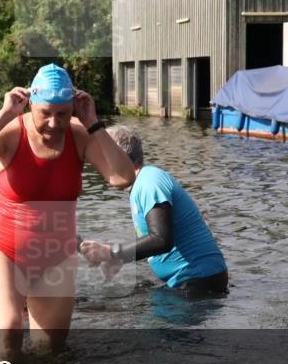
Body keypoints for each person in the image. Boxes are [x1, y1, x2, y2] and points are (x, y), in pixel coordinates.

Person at [0, 63, 135, 356]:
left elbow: (122, 178)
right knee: (9, 330)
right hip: (3, 248)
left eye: (62, 114)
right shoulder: (13, 131)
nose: (53, 122)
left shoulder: (79, 134)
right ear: (31, 104)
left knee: (49, 351)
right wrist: (5, 114)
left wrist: (93, 123)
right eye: (45, 113)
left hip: (56, 255)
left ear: (73, 108)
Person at [80, 126, 229, 296]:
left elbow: (161, 239)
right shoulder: (142, 183)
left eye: (101, 159)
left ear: (117, 158)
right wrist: (121, 259)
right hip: (192, 280)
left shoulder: (149, 183)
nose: (98, 167)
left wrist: (112, 253)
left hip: (198, 282)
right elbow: (153, 242)